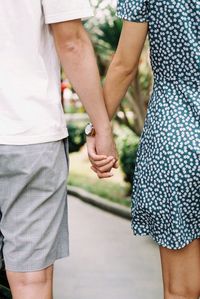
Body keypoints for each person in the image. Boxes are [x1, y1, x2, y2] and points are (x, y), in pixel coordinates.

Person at [0, 1, 118, 298]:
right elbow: (72, 42)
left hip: (27, 136)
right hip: (27, 131)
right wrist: (101, 127)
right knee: (31, 280)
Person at [88, 0, 200, 298]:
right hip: (176, 136)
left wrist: (96, 128)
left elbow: (125, 65)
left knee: (181, 290)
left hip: (175, 137)